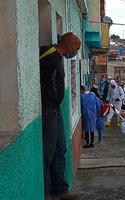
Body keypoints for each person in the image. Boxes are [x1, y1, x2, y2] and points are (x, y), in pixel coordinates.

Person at [39, 32, 80, 200]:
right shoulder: (51, 56)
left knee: (60, 149)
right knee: (48, 152)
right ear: (69, 45)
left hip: (55, 109)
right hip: (48, 109)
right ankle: (46, 192)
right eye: (76, 48)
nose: (75, 52)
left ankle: (60, 189)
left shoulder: (54, 56)